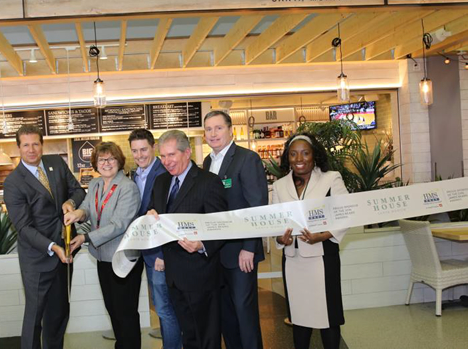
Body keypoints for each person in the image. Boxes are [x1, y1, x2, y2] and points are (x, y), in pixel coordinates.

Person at [4, 124, 86, 349]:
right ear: (18, 148)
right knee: (34, 317)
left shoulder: (56, 164)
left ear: (42, 144)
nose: (32, 149)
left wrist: (70, 202)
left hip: (66, 251)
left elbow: (78, 190)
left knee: (59, 313)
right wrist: (52, 247)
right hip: (38, 258)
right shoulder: (13, 182)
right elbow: (23, 227)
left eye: (36, 144)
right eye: (26, 145)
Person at [148, 130, 228, 349]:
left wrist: (202, 244)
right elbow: (153, 210)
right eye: (162, 156)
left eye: (171, 155)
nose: (166, 162)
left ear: (187, 152)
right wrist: (150, 215)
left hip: (201, 274)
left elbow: (221, 225)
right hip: (174, 275)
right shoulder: (161, 182)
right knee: (189, 335)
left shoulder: (208, 182)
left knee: (207, 337)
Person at [65, 141, 143, 349]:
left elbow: (119, 224)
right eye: (102, 159)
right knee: (112, 307)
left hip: (123, 258)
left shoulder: (128, 188)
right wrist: (78, 214)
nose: (106, 163)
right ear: (95, 163)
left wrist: (85, 238)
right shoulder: (95, 184)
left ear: (119, 161)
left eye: (111, 159)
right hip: (102, 256)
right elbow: (87, 207)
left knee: (125, 310)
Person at [273, 133, 348, 349]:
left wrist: (323, 236)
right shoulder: (279, 186)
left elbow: (346, 214)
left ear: (314, 155)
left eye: (305, 153)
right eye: (294, 154)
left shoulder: (330, 179)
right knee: (299, 317)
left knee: (328, 318)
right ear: (288, 157)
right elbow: (276, 222)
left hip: (323, 259)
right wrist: (281, 238)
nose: (300, 158)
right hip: (294, 261)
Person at [202, 110, 267, 349]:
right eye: (208, 129)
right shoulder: (208, 162)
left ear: (230, 130)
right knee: (225, 313)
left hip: (241, 254)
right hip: (216, 253)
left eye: (218, 128)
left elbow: (257, 206)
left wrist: (249, 247)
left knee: (244, 311)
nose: (213, 133)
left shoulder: (246, 159)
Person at [128, 129, 182, 349]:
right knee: (161, 306)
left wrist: (161, 255)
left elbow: (168, 216)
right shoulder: (136, 174)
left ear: (153, 148)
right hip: (146, 252)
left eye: (143, 149)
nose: (140, 155)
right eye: (135, 151)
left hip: (159, 254)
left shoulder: (164, 172)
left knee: (164, 307)